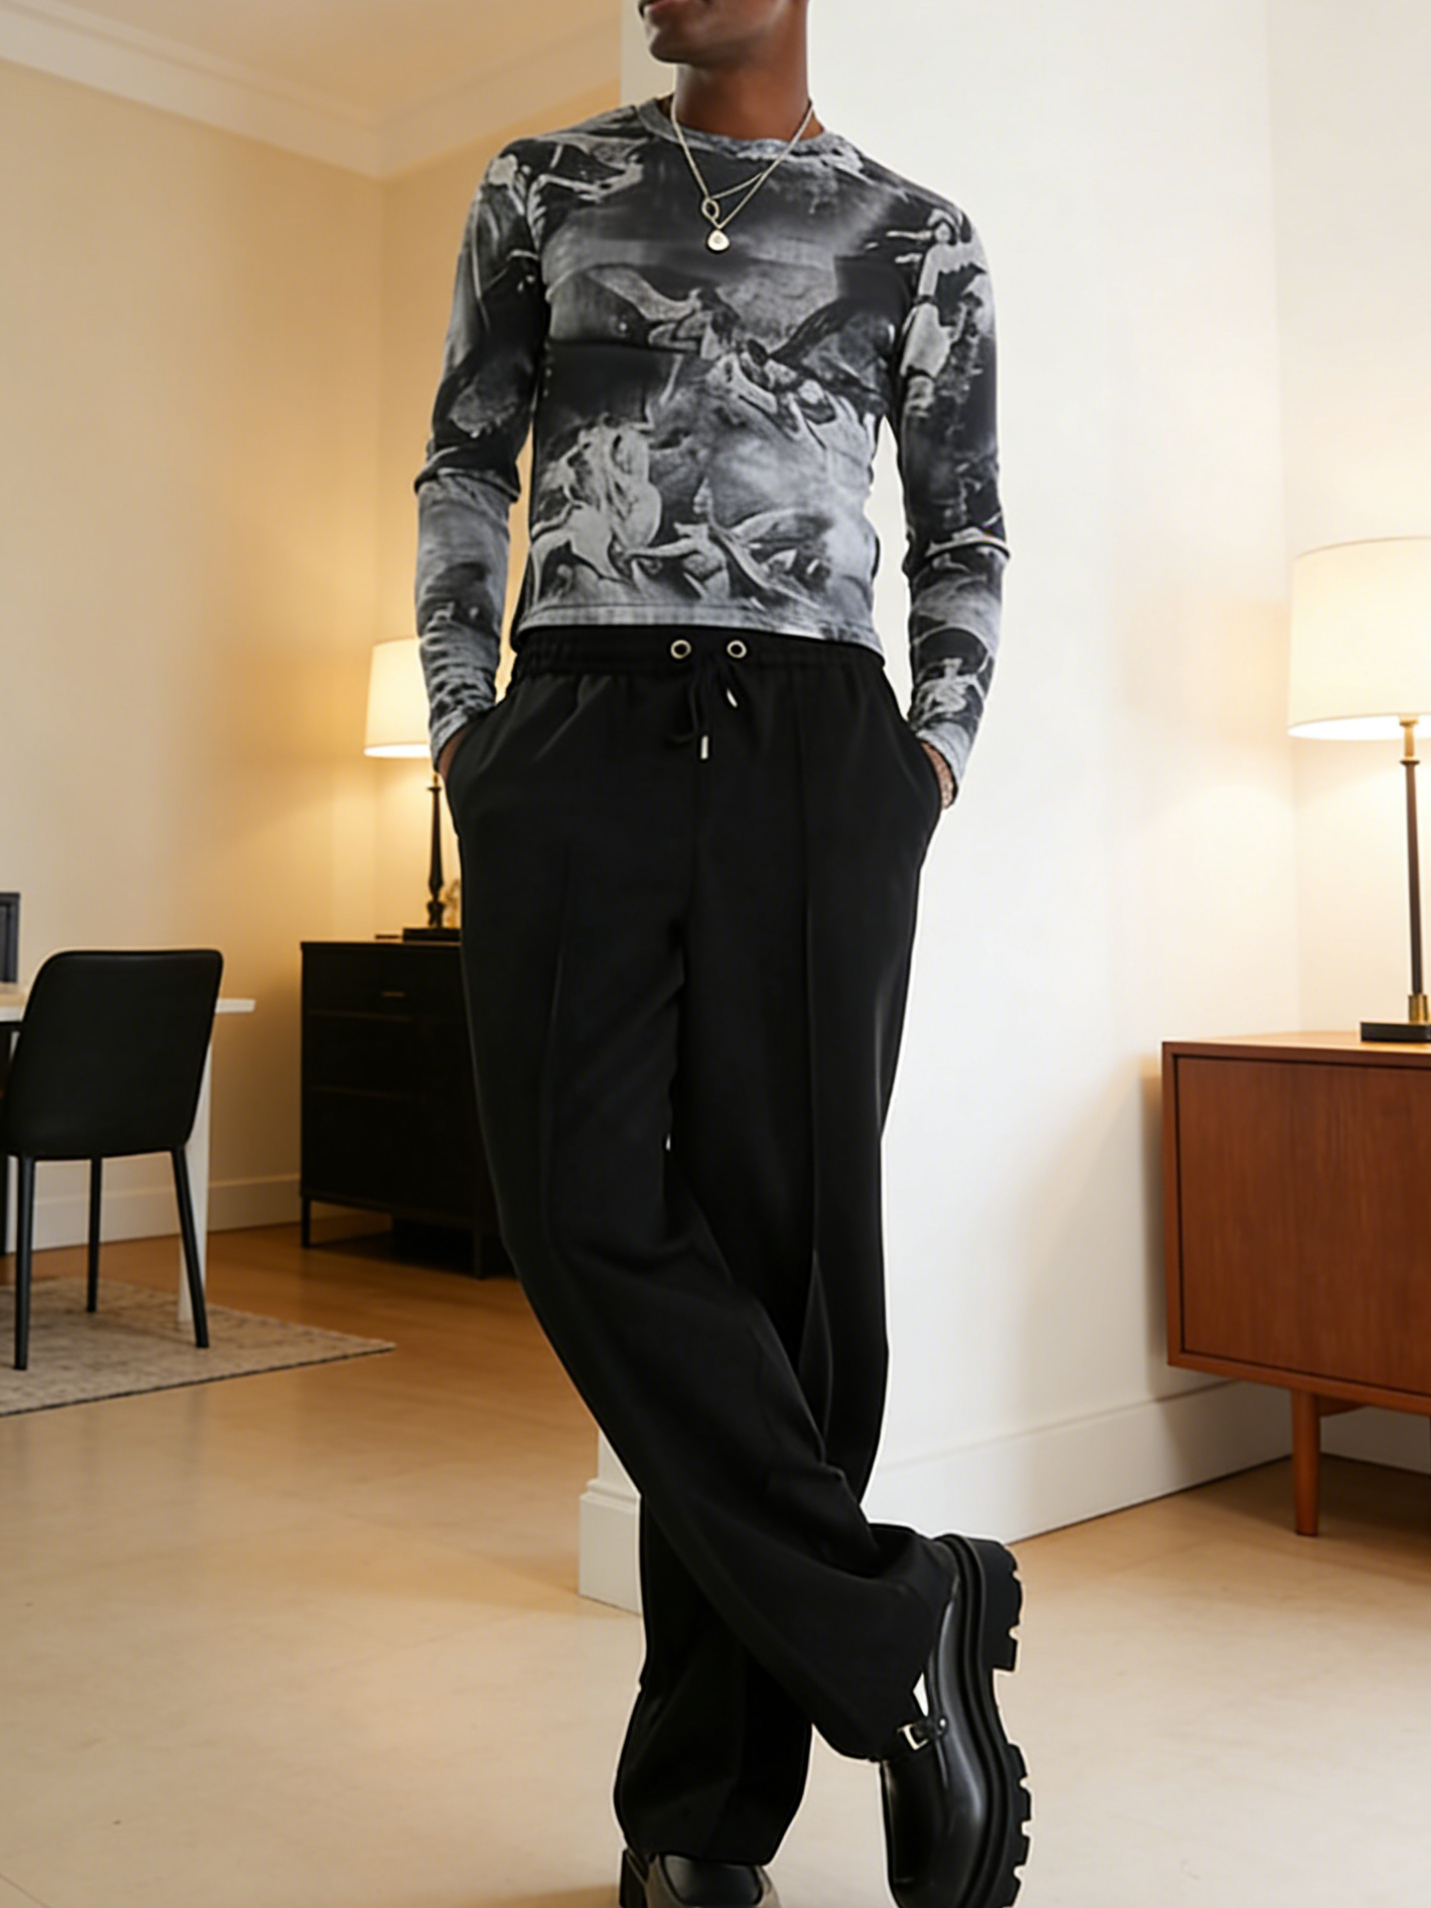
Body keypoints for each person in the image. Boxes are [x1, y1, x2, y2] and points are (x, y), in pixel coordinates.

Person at [412, 3, 1030, 1905]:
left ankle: (697, 1828)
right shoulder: (543, 184)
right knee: (575, 1208)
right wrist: (466, 732)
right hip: (575, 727)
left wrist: (928, 756)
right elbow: (466, 463)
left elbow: (968, 531)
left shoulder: (915, 232)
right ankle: (901, 1619)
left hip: (815, 756)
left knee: (789, 1274)